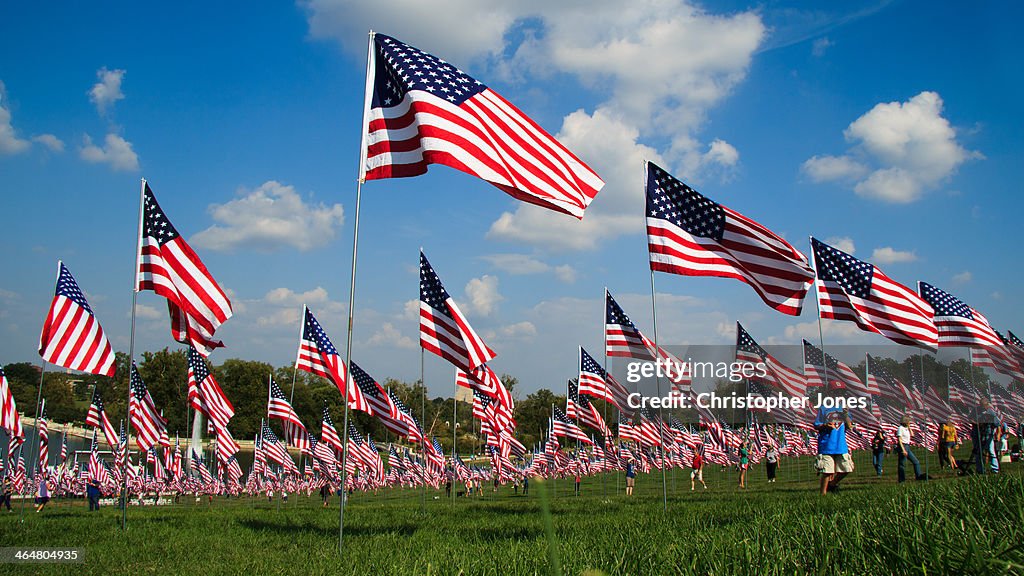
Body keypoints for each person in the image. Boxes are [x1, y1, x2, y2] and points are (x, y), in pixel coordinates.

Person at [814, 398, 856, 495]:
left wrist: (845, 414)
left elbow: (849, 426)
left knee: (846, 468)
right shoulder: (824, 408)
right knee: (827, 471)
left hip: (840, 445)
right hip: (827, 445)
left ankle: (832, 484)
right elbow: (816, 425)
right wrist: (825, 425)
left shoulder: (844, 408)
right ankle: (822, 494)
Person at [897, 415, 924, 482]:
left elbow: (912, 435)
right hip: (903, 446)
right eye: (909, 421)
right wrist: (903, 450)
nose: (910, 423)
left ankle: (918, 476)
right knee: (902, 464)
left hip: (907, 446)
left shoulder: (906, 428)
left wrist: (909, 428)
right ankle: (901, 480)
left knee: (916, 462)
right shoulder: (900, 428)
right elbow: (899, 440)